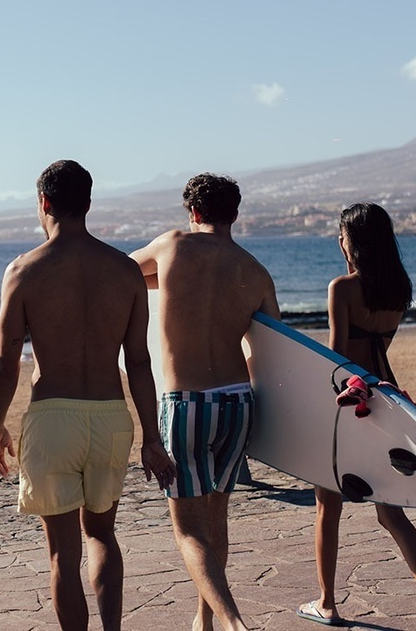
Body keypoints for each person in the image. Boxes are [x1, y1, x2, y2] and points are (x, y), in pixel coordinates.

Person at [0, 160, 176, 631]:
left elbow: (5, 360)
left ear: (44, 203)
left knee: (62, 554)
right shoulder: (125, 271)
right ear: (88, 203)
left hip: (53, 418)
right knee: (103, 536)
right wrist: (152, 438)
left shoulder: (23, 270)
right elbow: (139, 361)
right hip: (111, 417)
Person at [130, 173, 279, 631]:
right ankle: (204, 622)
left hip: (186, 404)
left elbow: (118, 273)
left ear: (193, 212)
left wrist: (165, 282)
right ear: (235, 214)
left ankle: (233, 623)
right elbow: (273, 349)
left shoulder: (173, 245)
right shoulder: (255, 271)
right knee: (217, 519)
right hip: (238, 403)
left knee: (189, 530)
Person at [297, 202, 416, 630]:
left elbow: (337, 360)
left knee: (327, 506)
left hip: (347, 405)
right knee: (391, 513)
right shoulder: (399, 290)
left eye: (342, 236)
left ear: (352, 242)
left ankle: (326, 603)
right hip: (387, 403)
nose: (339, 241)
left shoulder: (342, 288)